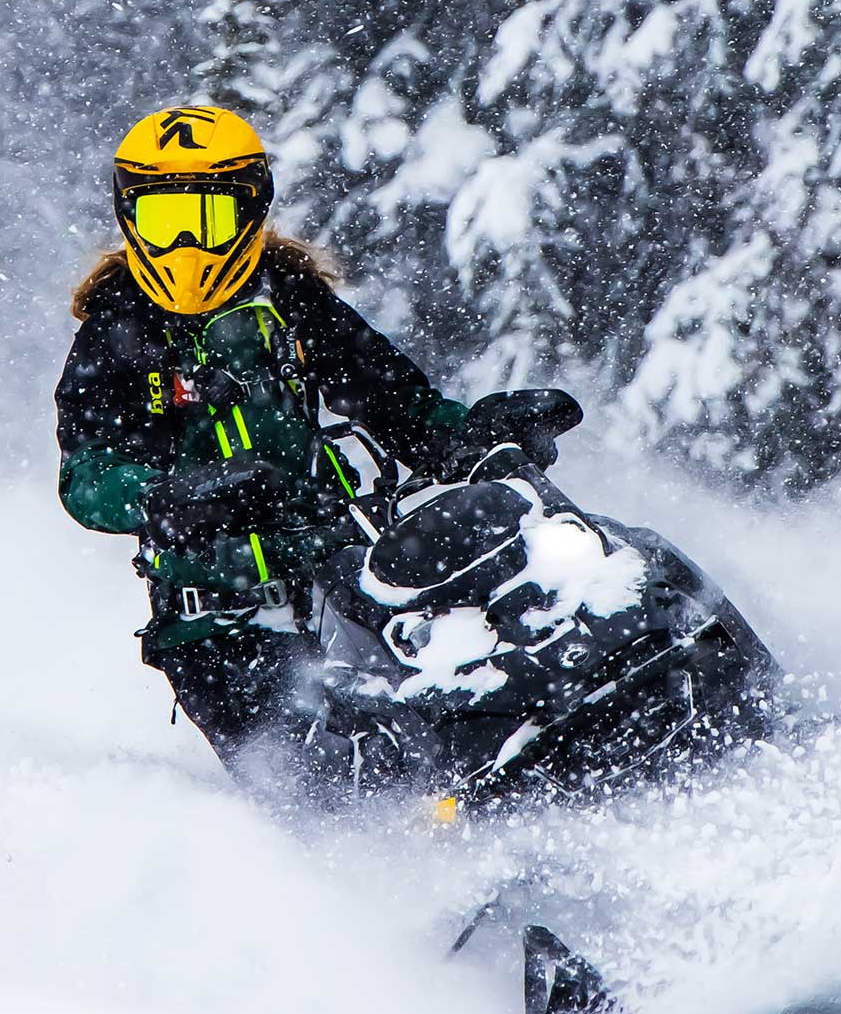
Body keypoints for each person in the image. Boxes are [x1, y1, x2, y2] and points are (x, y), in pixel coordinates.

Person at [56, 104, 581, 795]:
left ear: (250, 210)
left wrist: (472, 434)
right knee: (323, 786)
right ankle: (381, 888)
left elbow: (397, 403)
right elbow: (86, 476)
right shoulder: (115, 332)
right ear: (130, 219)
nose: (186, 243)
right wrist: (171, 497)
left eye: (205, 220)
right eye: (163, 220)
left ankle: (570, 774)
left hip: (344, 580)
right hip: (214, 623)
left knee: (469, 703)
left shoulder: (292, 298)